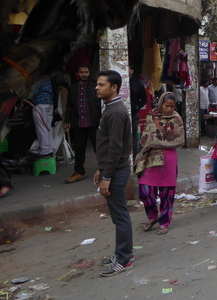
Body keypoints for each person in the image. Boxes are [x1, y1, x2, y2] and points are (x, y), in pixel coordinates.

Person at [93, 70, 133, 277]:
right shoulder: (110, 108)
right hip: (112, 169)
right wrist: (101, 168)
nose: (97, 88)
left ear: (114, 87)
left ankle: (124, 258)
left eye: (101, 85)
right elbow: (108, 145)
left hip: (117, 172)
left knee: (120, 216)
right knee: (118, 216)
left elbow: (116, 148)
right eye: (97, 84)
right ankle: (122, 253)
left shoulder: (115, 112)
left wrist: (106, 177)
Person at [134, 92, 184, 235]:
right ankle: (152, 215)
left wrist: (157, 142)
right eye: (166, 105)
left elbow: (179, 139)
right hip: (151, 157)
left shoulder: (176, 118)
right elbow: (146, 136)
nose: (169, 109)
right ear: (160, 103)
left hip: (168, 158)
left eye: (172, 106)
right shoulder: (151, 116)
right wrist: (151, 144)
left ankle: (164, 221)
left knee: (167, 193)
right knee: (145, 191)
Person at [64, 64, 102, 183]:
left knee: (99, 148)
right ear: (77, 74)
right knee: (79, 149)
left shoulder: (95, 86)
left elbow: (101, 104)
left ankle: (103, 171)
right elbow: (69, 105)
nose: (84, 74)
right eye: (81, 72)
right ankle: (79, 172)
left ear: (89, 73)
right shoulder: (73, 87)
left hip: (94, 122)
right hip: (78, 123)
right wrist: (67, 120)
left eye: (86, 72)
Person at [129, 66, 148, 155]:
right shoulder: (117, 82)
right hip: (120, 114)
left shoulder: (137, 83)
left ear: (132, 70)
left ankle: (134, 158)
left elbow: (144, 99)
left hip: (133, 114)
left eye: (127, 69)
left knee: (133, 138)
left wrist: (137, 107)